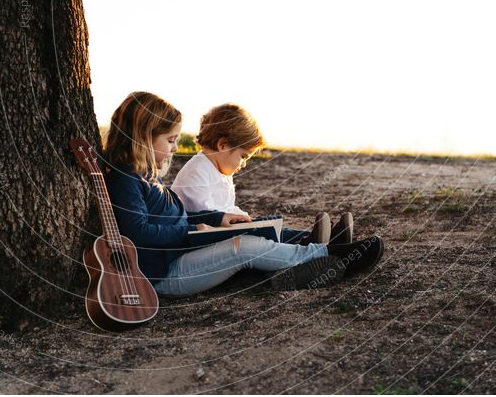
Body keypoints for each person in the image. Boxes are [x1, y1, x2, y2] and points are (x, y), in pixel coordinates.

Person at [104, 91, 384, 298]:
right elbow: (135, 234)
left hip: (178, 257)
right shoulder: (125, 179)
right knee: (244, 247)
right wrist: (191, 229)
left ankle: (317, 252)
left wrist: (216, 217)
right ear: (142, 136)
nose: (176, 148)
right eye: (170, 141)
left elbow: (176, 219)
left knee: (249, 234)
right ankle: (330, 254)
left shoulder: (147, 178)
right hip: (163, 274)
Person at [171, 102, 355, 246]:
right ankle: (310, 242)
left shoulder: (218, 169)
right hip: (207, 238)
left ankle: (326, 238)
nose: (243, 164)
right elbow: (201, 216)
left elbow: (227, 207)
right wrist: (243, 223)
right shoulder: (196, 172)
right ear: (223, 145)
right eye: (243, 156)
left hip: (224, 230)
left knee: (273, 228)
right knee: (266, 231)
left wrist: (244, 217)